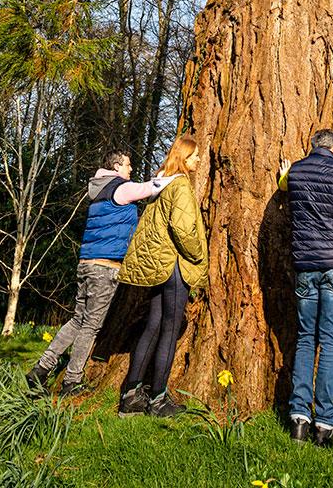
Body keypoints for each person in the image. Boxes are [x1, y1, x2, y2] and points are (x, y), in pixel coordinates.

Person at [27, 150, 174, 397]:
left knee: (77, 320)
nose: (131, 170)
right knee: (90, 326)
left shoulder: (99, 188)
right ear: (116, 166)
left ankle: (41, 369)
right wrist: (175, 175)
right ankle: (72, 381)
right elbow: (152, 187)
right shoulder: (120, 187)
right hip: (104, 268)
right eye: (128, 165)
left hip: (87, 263)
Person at [277, 128, 333, 446]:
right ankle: (324, 423)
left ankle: (299, 417)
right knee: (328, 343)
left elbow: (284, 186)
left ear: (311, 146)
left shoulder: (296, 171)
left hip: (305, 268)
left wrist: (284, 173)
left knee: (304, 340)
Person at [116, 134, 206, 418]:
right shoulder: (179, 185)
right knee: (169, 328)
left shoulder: (162, 182)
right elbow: (183, 229)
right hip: (175, 267)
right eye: (194, 156)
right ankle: (158, 398)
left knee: (153, 325)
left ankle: (131, 395)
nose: (199, 160)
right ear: (183, 157)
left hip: (159, 266)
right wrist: (197, 254)